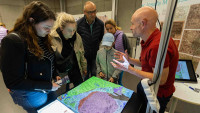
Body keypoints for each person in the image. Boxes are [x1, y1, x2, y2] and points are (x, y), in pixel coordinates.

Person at [111, 6, 179, 113]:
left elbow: (161, 80)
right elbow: (146, 63)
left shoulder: (157, 46)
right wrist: (129, 60)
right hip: (145, 85)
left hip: (156, 93)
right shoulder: (147, 41)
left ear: (143, 24)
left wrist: (129, 69)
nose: (131, 27)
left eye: (133, 23)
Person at [0, 1, 61, 113]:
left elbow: (49, 61)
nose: (49, 31)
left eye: (50, 27)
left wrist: (55, 74)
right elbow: (13, 82)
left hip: (46, 87)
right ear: (32, 21)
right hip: (30, 93)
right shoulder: (13, 41)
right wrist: (47, 85)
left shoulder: (42, 37)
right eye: (46, 27)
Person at [50, 12, 85, 92]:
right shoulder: (51, 38)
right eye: (69, 30)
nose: (72, 33)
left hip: (77, 72)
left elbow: (81, 53)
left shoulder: (77, 37)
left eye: (74, 30)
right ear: (61, 28)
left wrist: (84, 67)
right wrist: (54, 76)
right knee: (64, 96)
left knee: (79, 94)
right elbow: (51, 61)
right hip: (62, 76)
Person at [77, 1, 104, 80]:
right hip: (84, 56)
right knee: (85, 75)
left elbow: (100, 38)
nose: (93, 14)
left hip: (95, 55)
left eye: (94, 11)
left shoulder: (100, 24)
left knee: (94, 74)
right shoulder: (78, 24)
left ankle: (93, 92)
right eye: (90, 12)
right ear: (84, 12)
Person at [105, 19, 131, 85]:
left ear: (115, 27)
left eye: (111, 28)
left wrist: (127, 60)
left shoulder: (122, 35)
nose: (109, 31)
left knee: (118, 80)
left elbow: (128, 49)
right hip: (112, 61)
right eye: (107, 29)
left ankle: (120, 94)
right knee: (112, 79)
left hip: (121, 61)